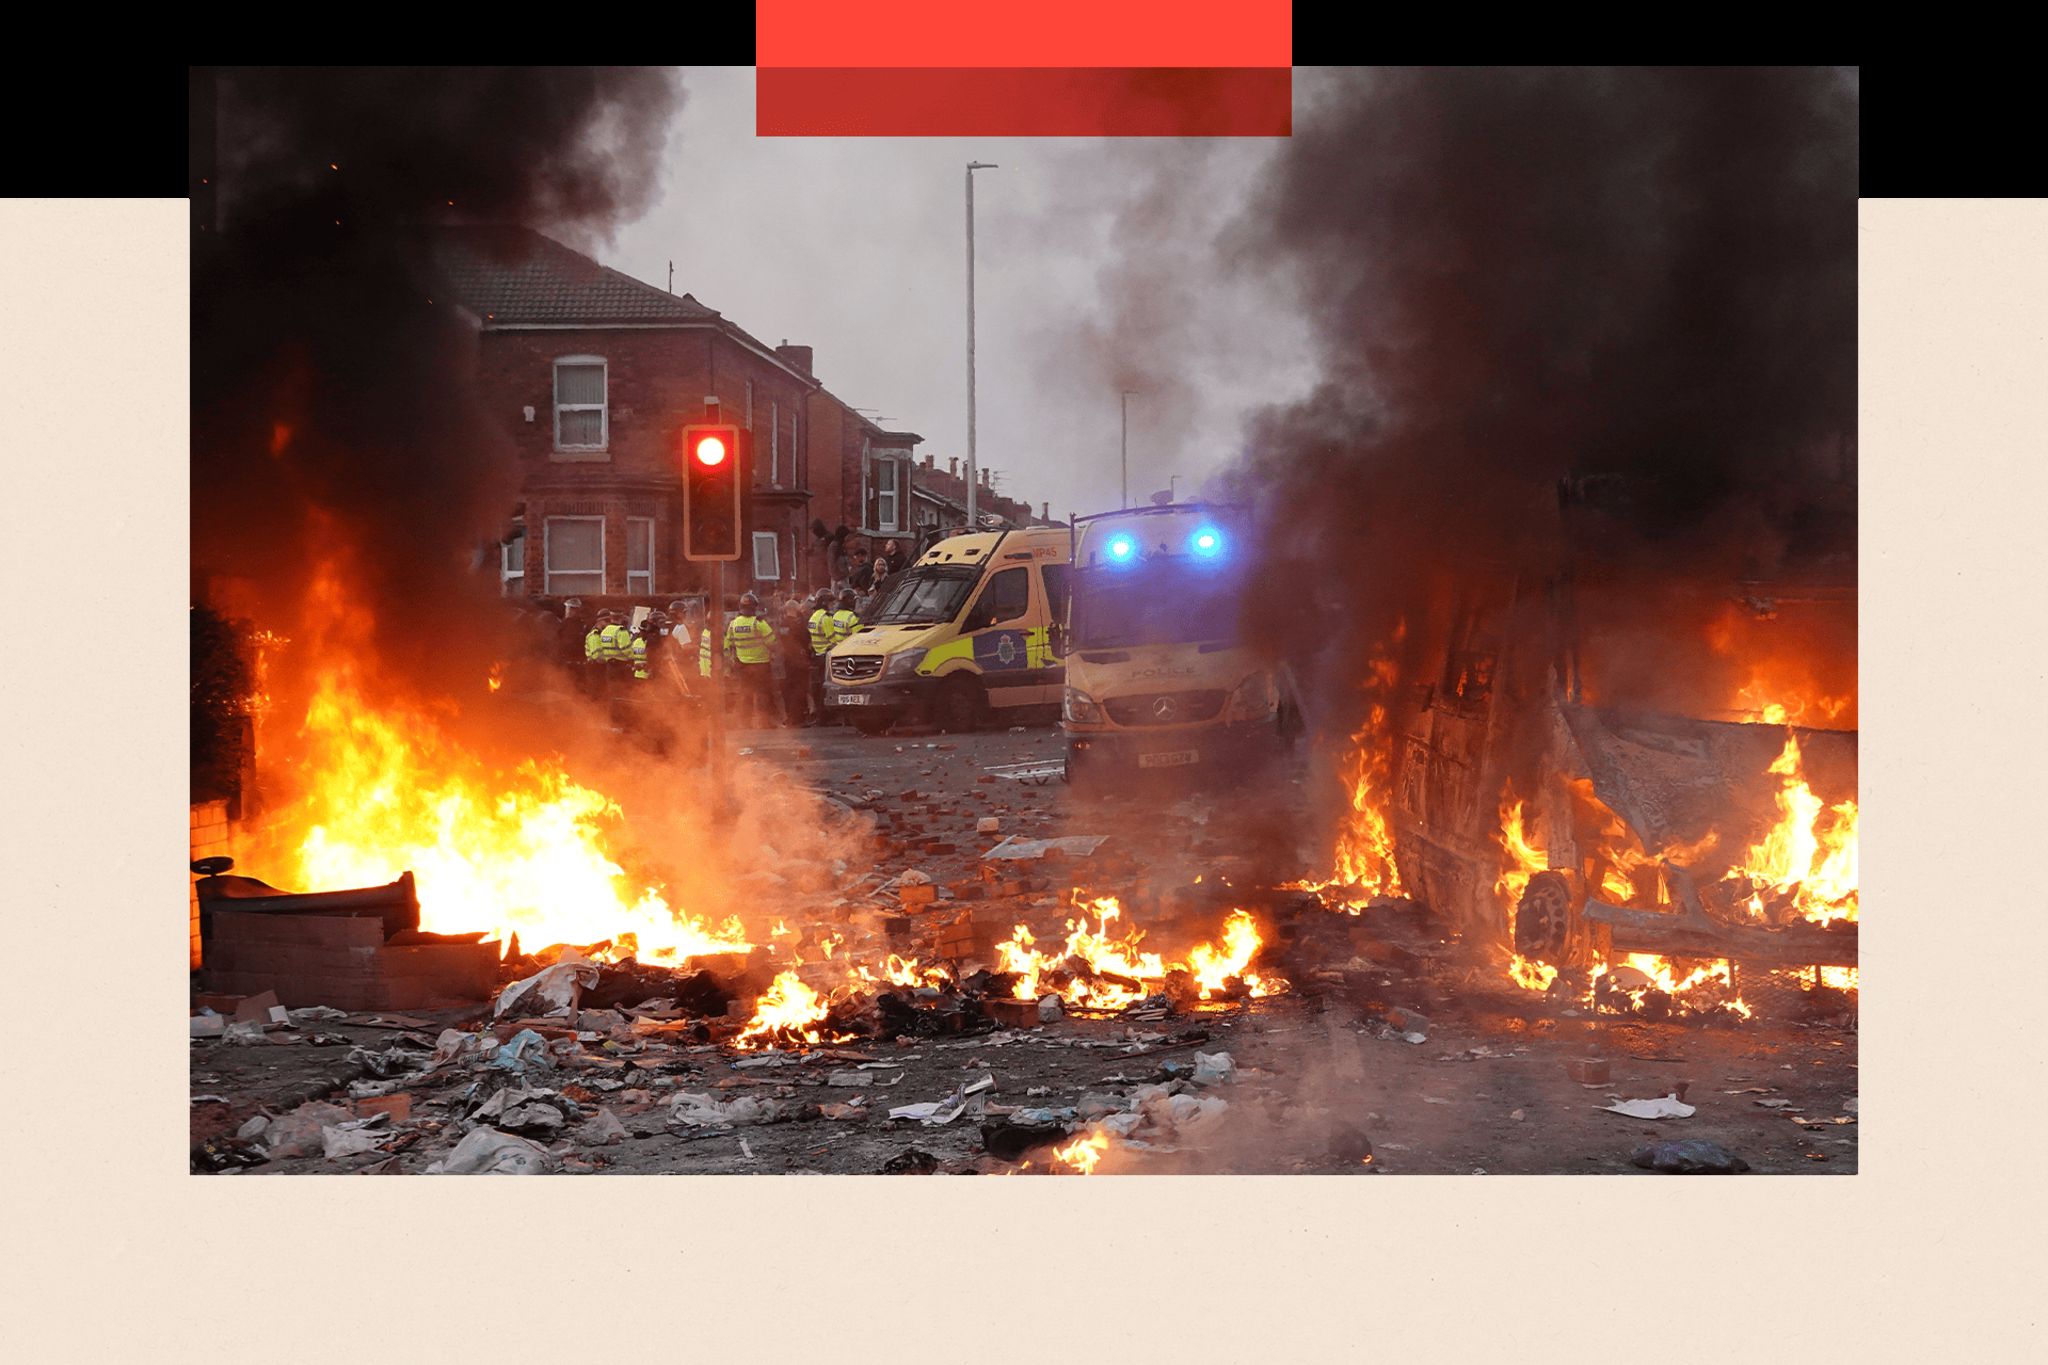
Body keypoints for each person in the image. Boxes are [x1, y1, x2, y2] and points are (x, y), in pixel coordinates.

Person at [725, 592, 775, 726]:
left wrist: (730, 661)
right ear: (754, 607)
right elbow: (772, 642)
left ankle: (745, 722)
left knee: (745, 695)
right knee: (764, 694)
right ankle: (765, 723)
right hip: (761, 664)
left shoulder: (733, 624)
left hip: (742, 665)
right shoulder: (759, 623)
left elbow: (727, 643)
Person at [778, 601, 814, 726]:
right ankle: (799, 718)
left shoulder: (782, 624)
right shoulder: (798, 625)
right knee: (800, 689)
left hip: (787, 661)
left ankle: (790, 717)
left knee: (788, 689)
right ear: (795, 609)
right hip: (799, 661)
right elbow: (807, 640)